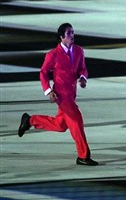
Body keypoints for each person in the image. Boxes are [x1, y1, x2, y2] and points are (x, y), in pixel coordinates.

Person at [18, 23, 98, 166]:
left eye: (73, 32)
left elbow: (83, 69)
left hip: (72, 94)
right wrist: (48, 91)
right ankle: (83, 156)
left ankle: (30, 120)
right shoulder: (53, 55)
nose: (72, 35)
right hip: (61, 95)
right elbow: (43, 73)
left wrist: (83, 78)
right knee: (76, 121)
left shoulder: (79, 51)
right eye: (69, 33)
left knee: (60, 125)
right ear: (61, 37)